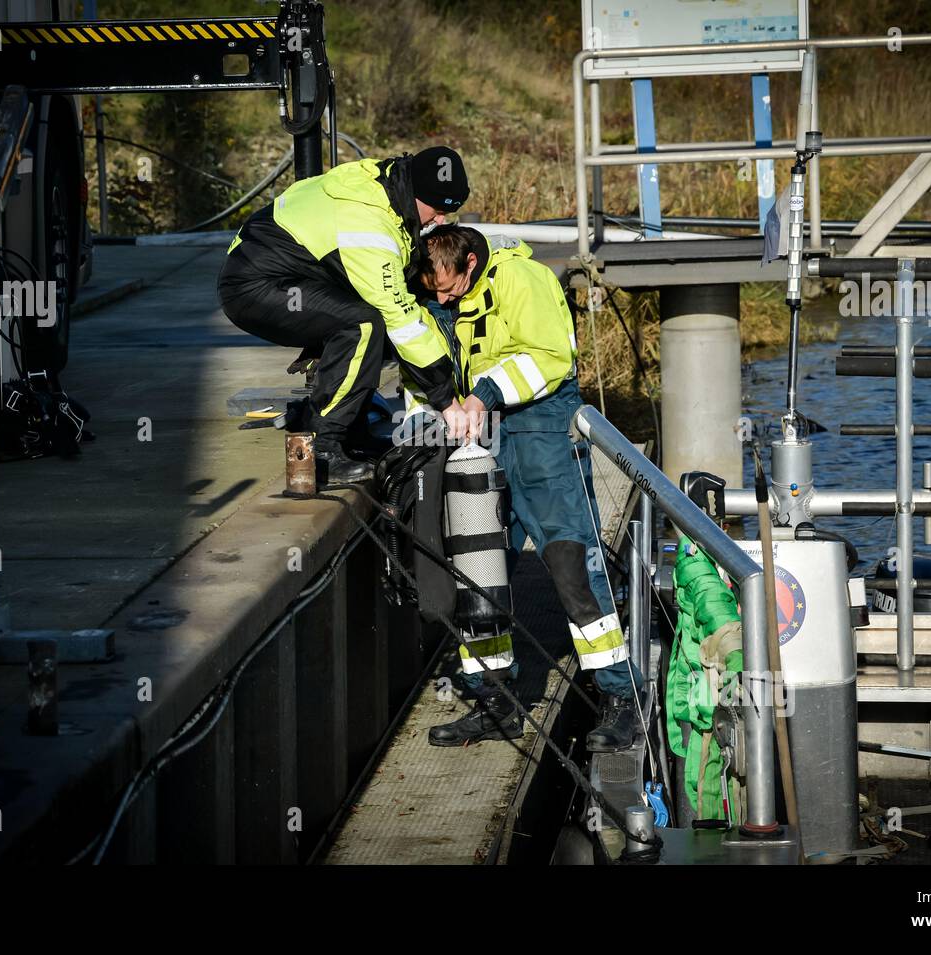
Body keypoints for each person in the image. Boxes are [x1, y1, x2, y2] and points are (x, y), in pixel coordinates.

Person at [403, 224, 645, 752]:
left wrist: (485, 393)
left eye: (449, 289)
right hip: (473, 433)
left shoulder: (524, 279)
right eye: (433, 291)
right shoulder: (433, 290)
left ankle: (621, 698)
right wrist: (423, 417)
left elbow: (551, 356)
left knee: (570, 561)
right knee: (476, 572)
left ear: (470, 263)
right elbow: (422, 363)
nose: (441, 298)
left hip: (538, 423)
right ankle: (494, 700)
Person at [218, 147, 472, 485]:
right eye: (438, 210)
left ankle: (348, 433)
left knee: (372, 325)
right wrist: (445, 398)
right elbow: (400, 316)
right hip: (254, 285)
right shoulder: (369, 221)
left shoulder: (386, 189)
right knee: (364, 325)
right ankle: (323, 450)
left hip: (288, 273)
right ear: (417, 194)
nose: (439, 221)